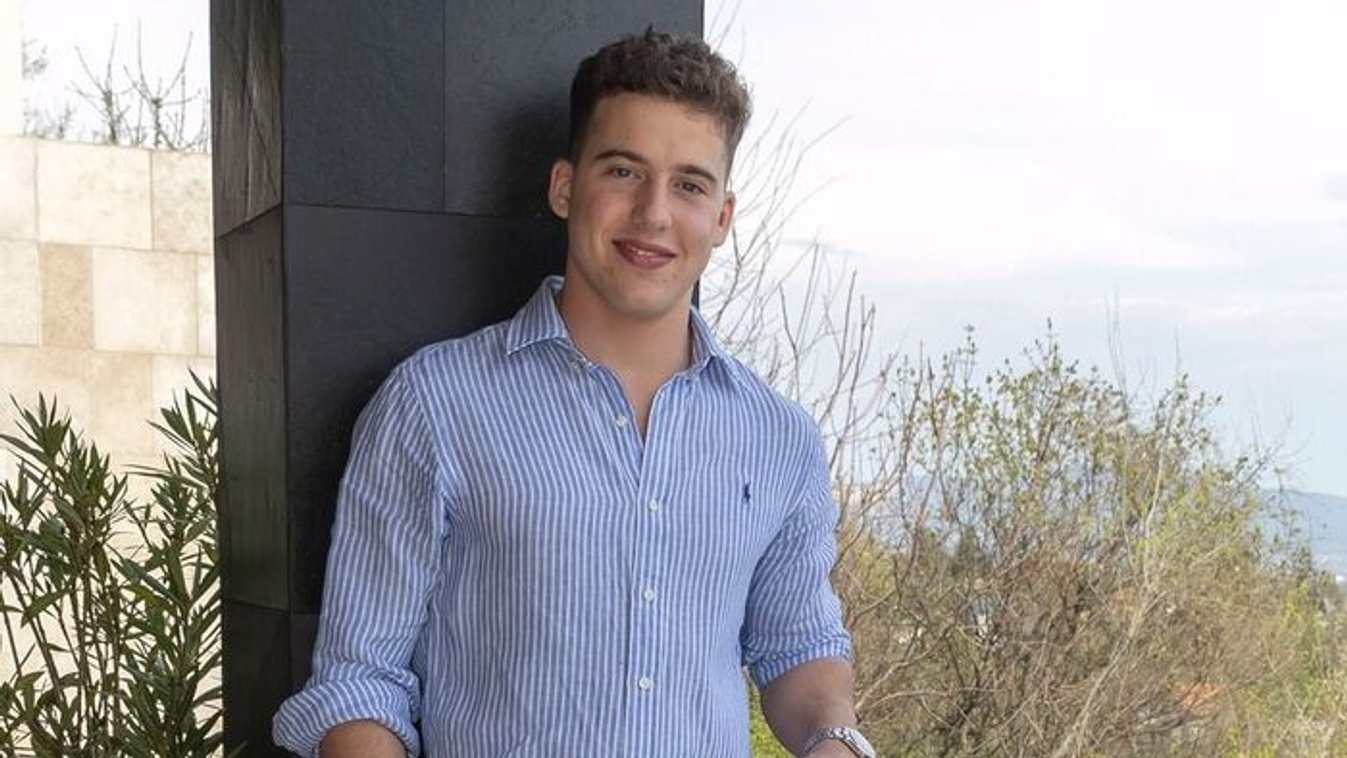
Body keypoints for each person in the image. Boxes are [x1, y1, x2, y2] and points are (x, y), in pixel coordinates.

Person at [272, 28, 875, 758]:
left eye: (689, 185)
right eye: (623, 171)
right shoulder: (434, 405)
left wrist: (835, 739)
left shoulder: (780, 439)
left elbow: (799, 647)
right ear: (565, 187)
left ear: (721, 217)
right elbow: (360, 682)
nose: (654, 212)